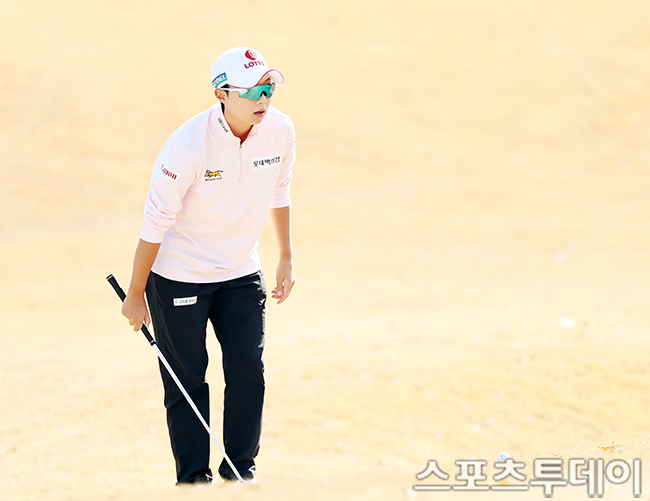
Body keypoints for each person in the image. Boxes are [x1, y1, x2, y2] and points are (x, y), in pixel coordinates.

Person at [120, 46, 296, 485]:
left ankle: (240, 470)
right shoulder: (187, 145)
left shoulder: (279, 129)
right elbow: (155, 222)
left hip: (241, 270)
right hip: (179, 276)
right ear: (222, 93)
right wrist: (136, 294)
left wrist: (286, 258)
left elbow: (280, 189)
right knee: (186, 380)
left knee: (248, 369)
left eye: (269, 88)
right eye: (252, 90)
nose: (263, 98)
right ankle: (193, 479)